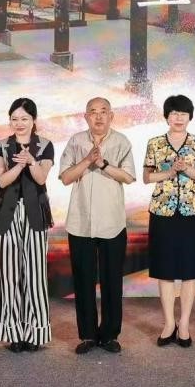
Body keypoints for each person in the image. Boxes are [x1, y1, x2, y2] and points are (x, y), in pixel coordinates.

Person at [58, 97, 136, 354]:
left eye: (104, 111)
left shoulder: (121, 141)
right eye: (93, 112)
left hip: (112, 222)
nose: (99, 116)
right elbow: (66, 178)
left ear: (111, 116)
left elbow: (128, 177)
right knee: (83, 280)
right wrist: (87, 160)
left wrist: (103, 163)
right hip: (80, 222)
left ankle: (110, 335)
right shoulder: (75, 141)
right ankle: (88, 336)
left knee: (112, 280)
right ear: (86, 117)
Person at [143, 94, 195, 348]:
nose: (178, 118)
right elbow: (147, 177)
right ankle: (169, 323)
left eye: (183, 114)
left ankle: (184, 324)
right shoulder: (155, 143)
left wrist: (185, 169)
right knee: (165, 269)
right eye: (174, 113)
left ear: (189, 117)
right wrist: (170, 171)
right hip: (162, 210)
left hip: (193, 211)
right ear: (166, 117)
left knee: (190, 270)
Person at [0, 97, 55, 351]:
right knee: (8, 275)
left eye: (24, 119)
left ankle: (35, 333)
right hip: (7, 213)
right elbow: (3, 181)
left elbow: (41, 178)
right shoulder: (1, 146)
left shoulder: (45, 145)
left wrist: (31, 161)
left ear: (33, 120)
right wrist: (19, 164)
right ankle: (13, 333)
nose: (19, 123)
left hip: (35, 213)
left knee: (35, 275)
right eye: (14, 119)